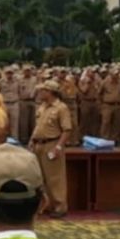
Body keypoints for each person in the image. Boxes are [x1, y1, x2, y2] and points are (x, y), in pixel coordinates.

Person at [30, 81, 72, 218]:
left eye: (43, 90)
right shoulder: (42, 106)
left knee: (54, 177)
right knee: (39, 177)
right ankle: (46, 204)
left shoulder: (61, 108)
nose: (40, 93)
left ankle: (60, 206)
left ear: (51, 92)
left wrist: (59, 147)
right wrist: (31, 142)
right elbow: (38, 127)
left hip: (52, 144)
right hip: (38, 144)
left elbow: (67, 129)